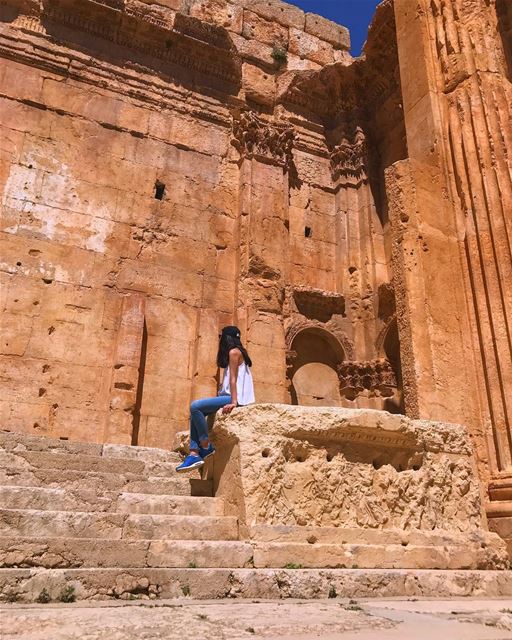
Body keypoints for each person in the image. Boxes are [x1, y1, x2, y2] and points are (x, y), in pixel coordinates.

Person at [176, 326, 255, 473]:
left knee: (195, 406)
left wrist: (233, 401)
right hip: (229, 396)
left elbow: (233, 379)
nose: (219, 340)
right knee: (196, 413)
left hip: (233, 398)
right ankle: (194, 453)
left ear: (226, 338)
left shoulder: (234, 352)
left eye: (221, 337)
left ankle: (205, 446)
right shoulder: (239, 353)